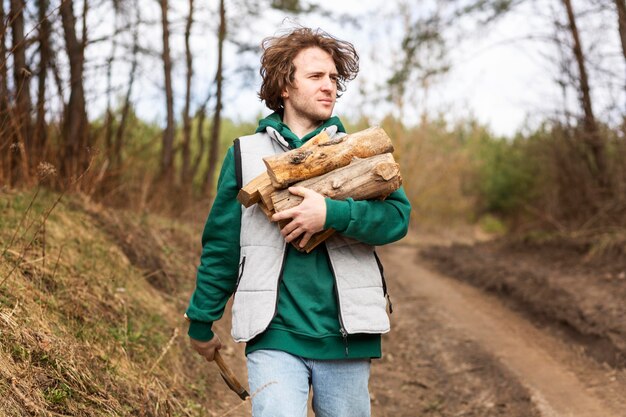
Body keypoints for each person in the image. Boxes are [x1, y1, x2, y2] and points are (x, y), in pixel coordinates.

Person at [185, 27, 411, 417]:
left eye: (333, 78)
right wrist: (202, 320)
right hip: (273, 335)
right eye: (316, 76)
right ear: (284, 87)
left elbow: (397, 219)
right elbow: (223, 244)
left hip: (345, 337)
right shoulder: (245, 154)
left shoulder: (360, 151)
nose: (329, 87)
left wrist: (333, 214)